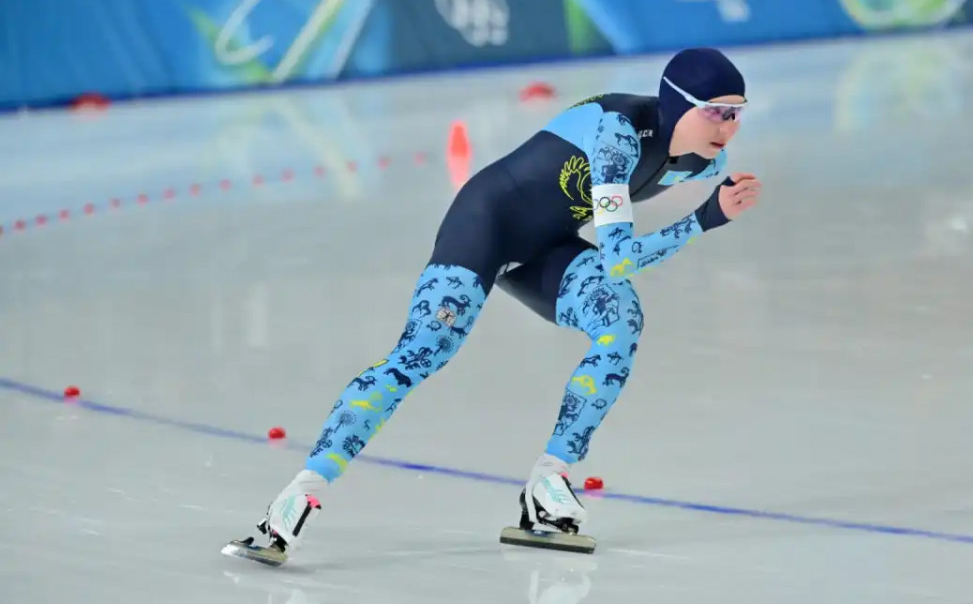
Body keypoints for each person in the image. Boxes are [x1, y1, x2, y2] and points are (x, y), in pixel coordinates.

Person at [225, 47, 762, 563]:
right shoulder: (619, 131)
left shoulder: (703, 163)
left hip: (547, 245)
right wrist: (702, 221)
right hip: (485, 225)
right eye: (716, 111)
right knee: (420, 354)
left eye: (737, 113)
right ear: (678, 103)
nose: (728, 126)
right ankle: (297, 496)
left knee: (620, 322)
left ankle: (549, 482)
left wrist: (708, 210)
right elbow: (619, 258)